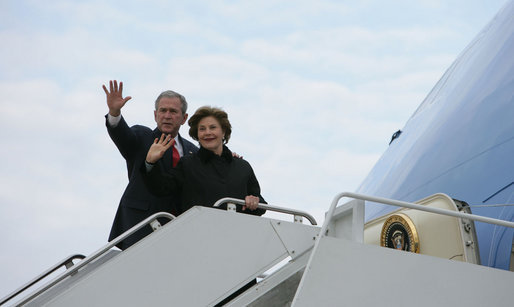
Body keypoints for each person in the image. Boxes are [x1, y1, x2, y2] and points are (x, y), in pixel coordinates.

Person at [103, 80, 198, 250]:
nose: (167, 116)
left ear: (184, 118)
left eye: (173, 111)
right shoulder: (142, 136)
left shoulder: (193, 150)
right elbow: (122, 135)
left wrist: (230, 157)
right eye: (163, 111)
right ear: (155, 115)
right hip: (141, 225)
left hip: (180, 228)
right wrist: (114, 113)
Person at [143, 106, 266, 216]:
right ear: (197, 135)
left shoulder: (242, 167)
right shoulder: (187, 164)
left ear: (223, 131)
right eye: (202, 129)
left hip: (238, 236)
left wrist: (254, 202)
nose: (207, 133)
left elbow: (261, 206)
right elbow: (160, 188)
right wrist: (150, 162)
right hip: (198, 236)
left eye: (212, 127)